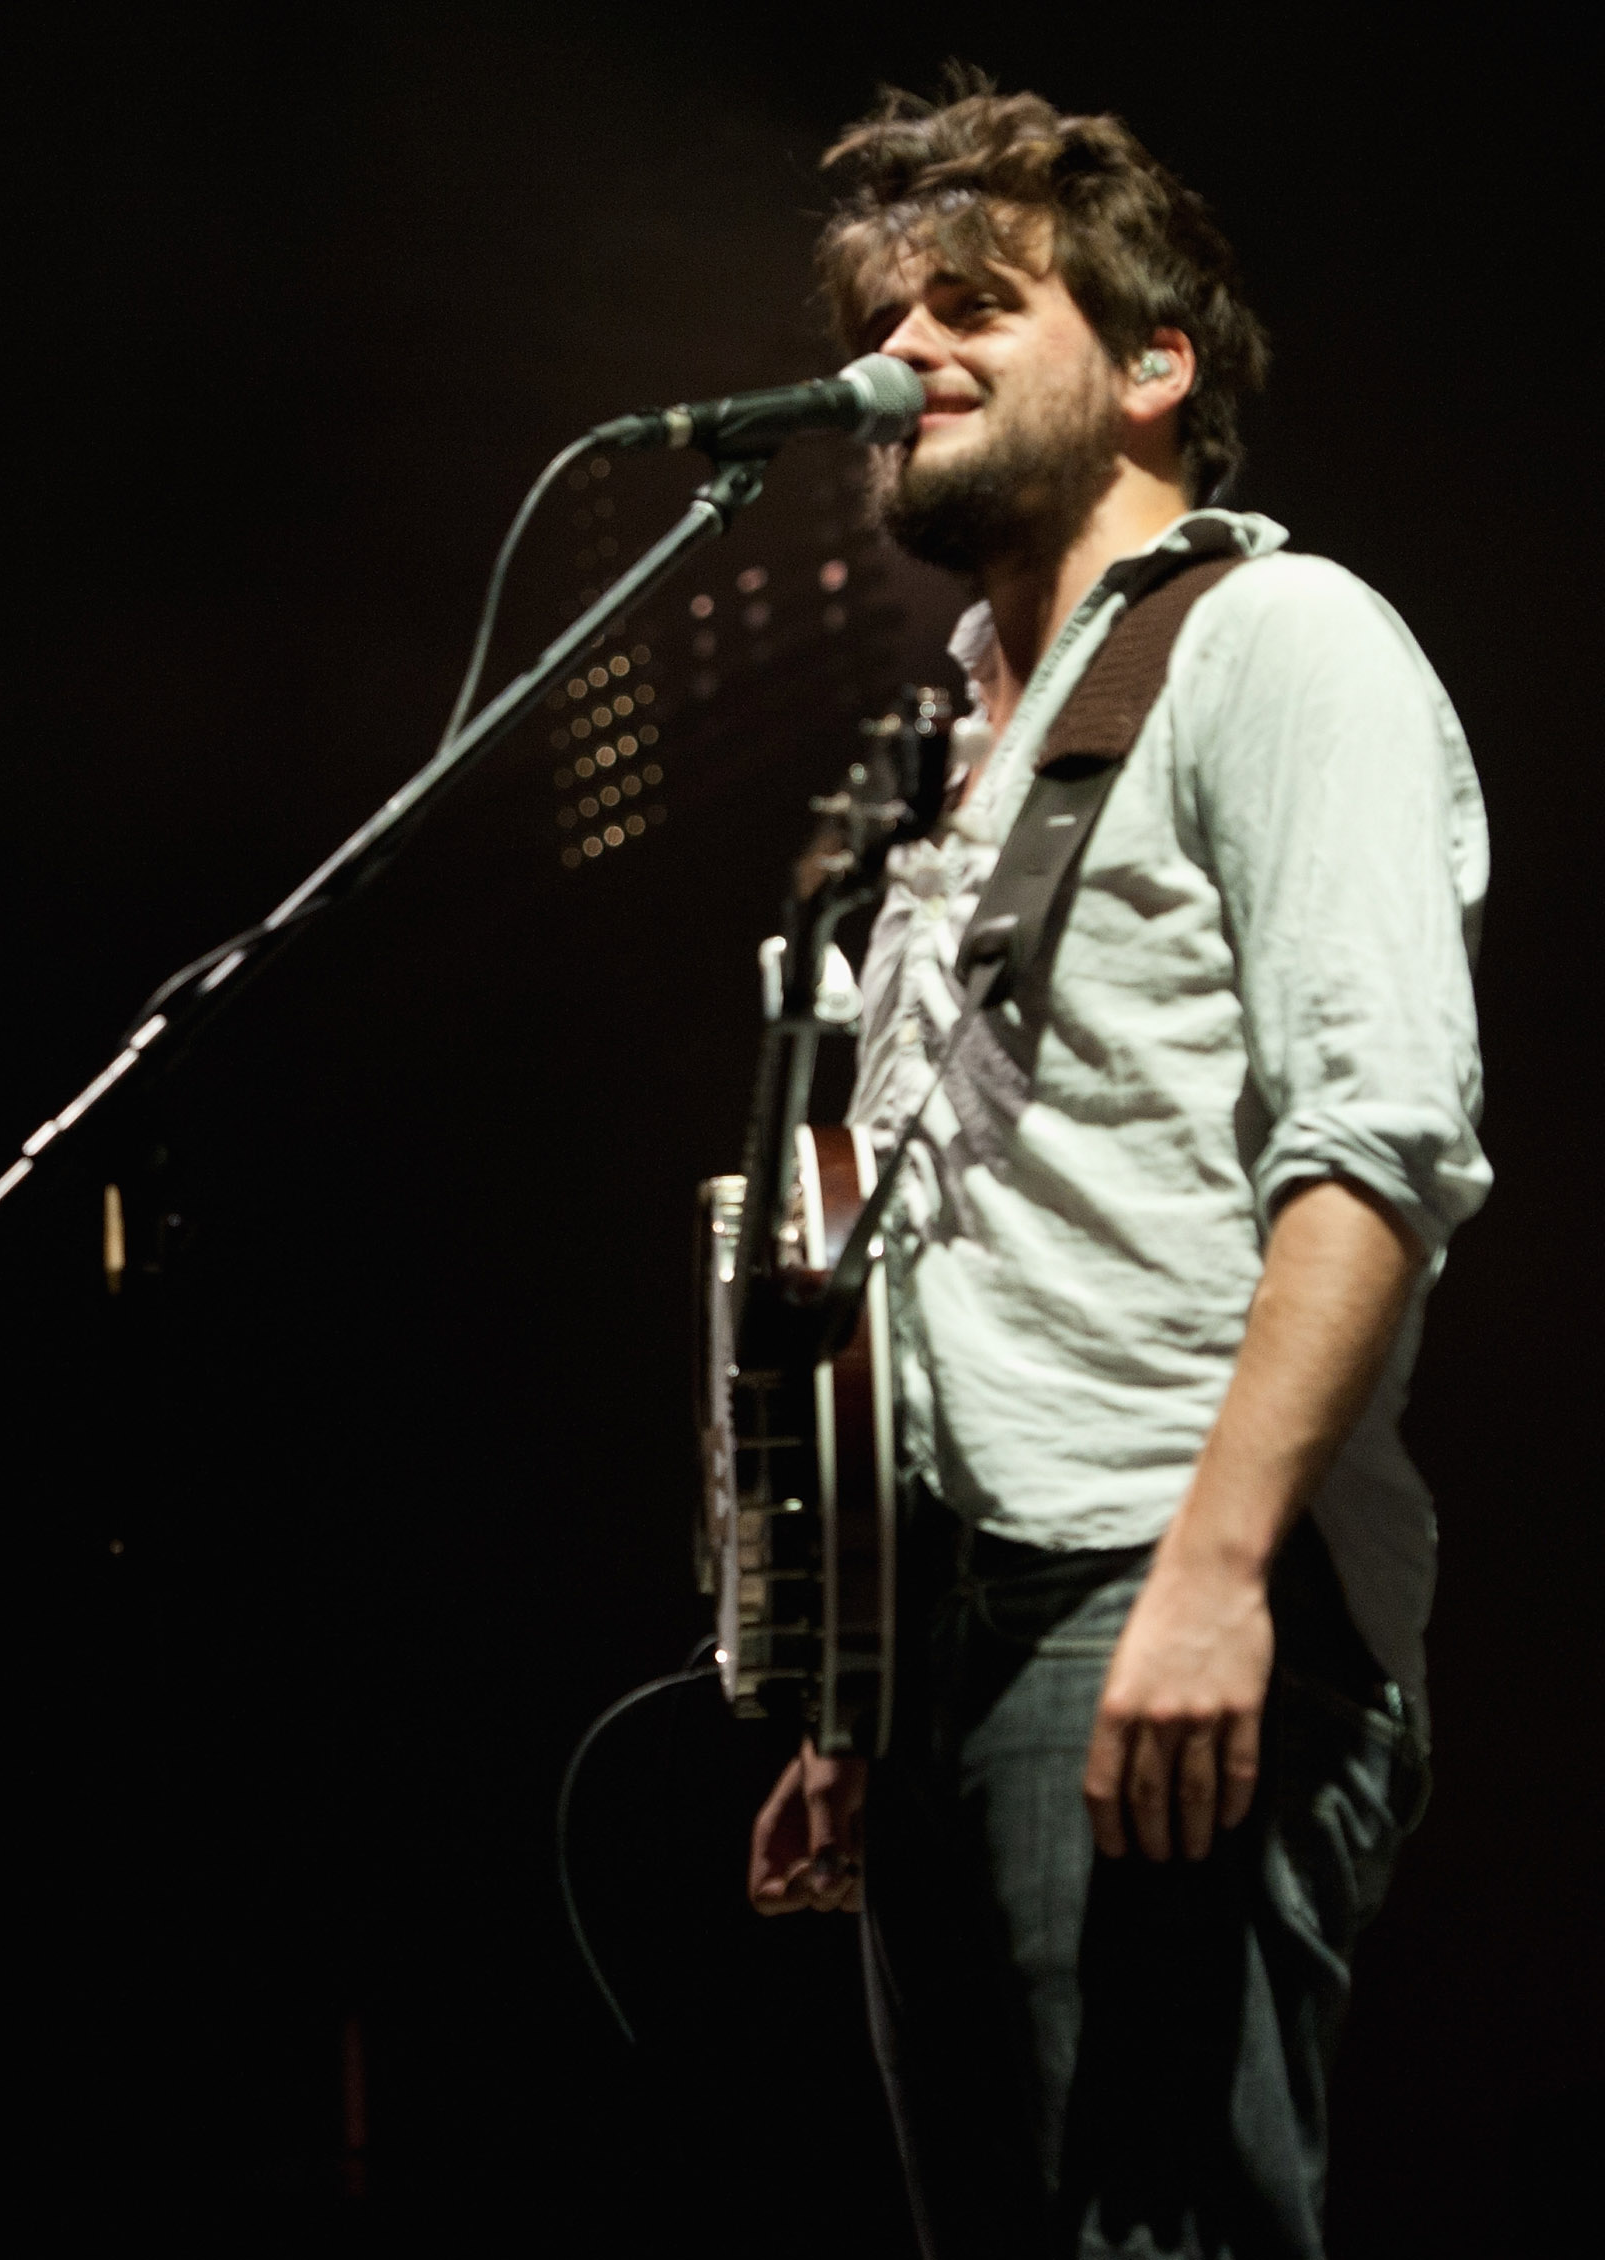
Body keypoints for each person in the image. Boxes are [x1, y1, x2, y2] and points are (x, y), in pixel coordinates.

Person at [737, 85, 1486, 2257]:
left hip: (1158, 1571)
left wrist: (1220, 1565)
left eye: (977, 303)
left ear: (1155, 366)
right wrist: (855, 1680)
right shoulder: (928, 767)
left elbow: (1381, 1139)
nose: (909, 357)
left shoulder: (1283, 643)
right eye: (886, 318)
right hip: (947, 1641)